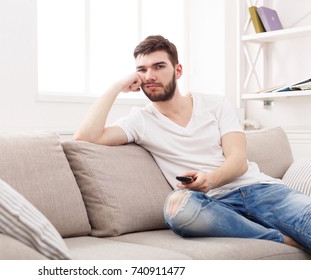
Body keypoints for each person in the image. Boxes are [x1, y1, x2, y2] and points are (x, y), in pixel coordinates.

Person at [73, 35, 311, 251]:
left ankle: (261, 230)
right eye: (141, 70)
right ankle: (278, 239)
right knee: (177, 209)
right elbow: (85, 137)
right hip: (209, 206)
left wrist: (210, 179)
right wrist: (116, 87)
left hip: (261, 190)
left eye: (159, 66)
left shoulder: (214, 104)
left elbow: (238, 161)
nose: (149, 76)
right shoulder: (140, 120)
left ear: (177, 70)